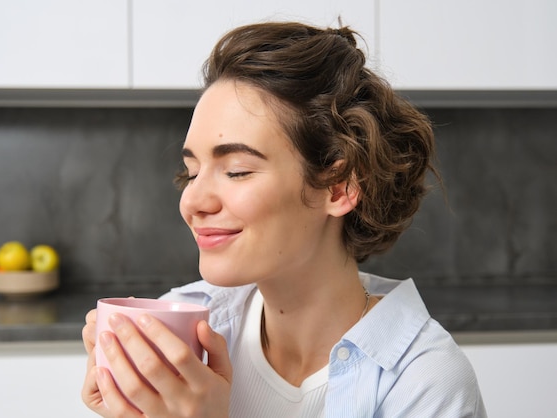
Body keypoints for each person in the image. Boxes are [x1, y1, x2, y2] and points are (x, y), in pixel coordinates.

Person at [81, 21, 487, 417]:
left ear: (339, 187)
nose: (193, 202)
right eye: (192, 172)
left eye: (237, 170)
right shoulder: (178, 333)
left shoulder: (425, 383)